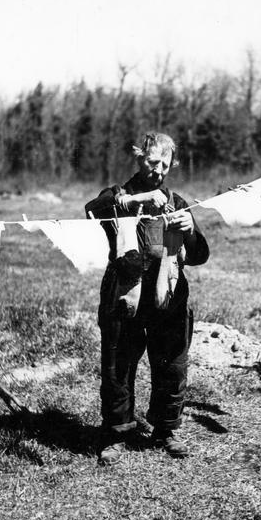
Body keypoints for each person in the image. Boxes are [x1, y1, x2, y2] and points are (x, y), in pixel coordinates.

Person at [85, 132, 209, 465]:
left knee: (171, 359)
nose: (157, 170)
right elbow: (91, 210)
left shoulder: (177, 202)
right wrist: (128, 203)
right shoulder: (117, 195)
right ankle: (116, 433)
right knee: (119, 362)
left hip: (167, 290)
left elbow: (199, 255)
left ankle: (165, 430)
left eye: (164, 165)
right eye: (152, 162)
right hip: (125, 288)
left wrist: (191, 230)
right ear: (140, 158)